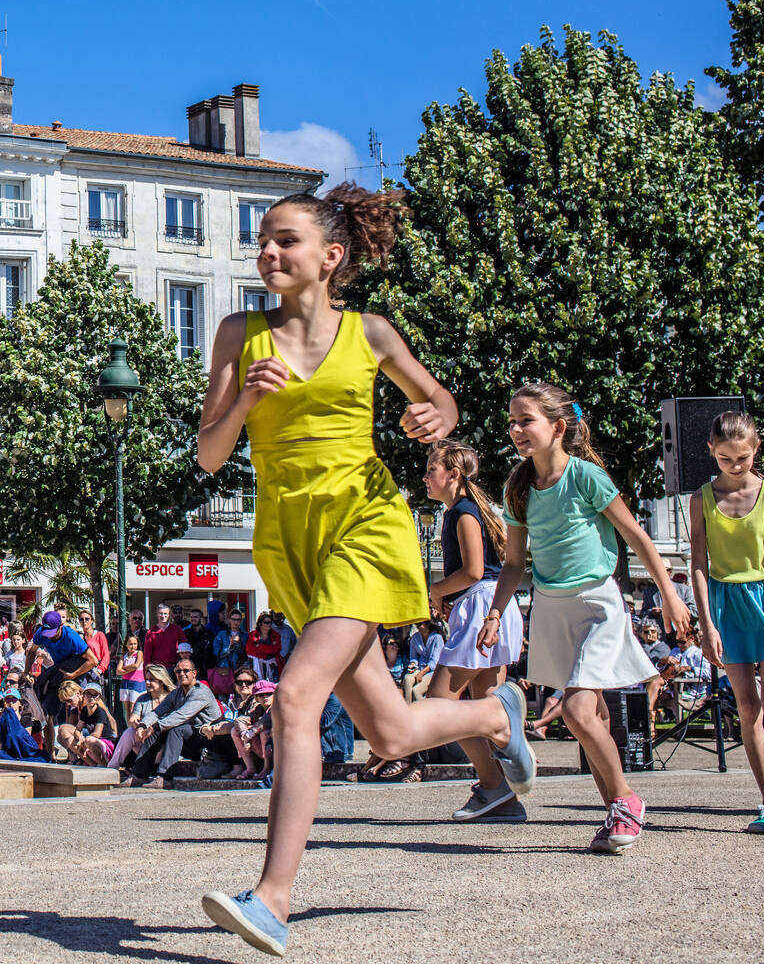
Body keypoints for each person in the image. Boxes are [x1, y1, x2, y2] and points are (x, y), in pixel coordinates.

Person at [192, 186, 534, 956]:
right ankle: (493, 715)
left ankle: (273, 897)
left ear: (330, 257)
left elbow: (437, 398)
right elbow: (210, 453)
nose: (268, 253)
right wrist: (244, 401)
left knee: (294, 698)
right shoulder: (237, 333)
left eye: (285, 241)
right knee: (390, 728)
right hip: (290, 538)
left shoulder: (370, 333)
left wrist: (436, 415)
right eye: (263, 241)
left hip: (365, 525)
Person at [487, 382, 691, 857]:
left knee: (578, 712)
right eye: (512, 422)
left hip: (598, 603)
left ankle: (626, 798)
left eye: (526, 421)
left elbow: (638, 538)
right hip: (551, 608)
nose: (516, 430)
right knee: (592, 715)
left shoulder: (586, 477)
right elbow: (515, 563)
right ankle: (615, 814)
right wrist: (496, 611)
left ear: (558, 427)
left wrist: (671, 597)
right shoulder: (517, 487)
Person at [688, 411, 764, 837]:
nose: (735, 466)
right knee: (747, 707)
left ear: (755, 449)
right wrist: (707, 625)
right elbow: (698, 563)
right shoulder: (700, 498)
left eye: (742, 458)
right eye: (725, 459)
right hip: (726, 602)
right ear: (711, 453)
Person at [421, 438, 528, 823]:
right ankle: (503, 795)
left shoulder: (461, 513)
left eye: (432, 470)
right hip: (493, 604)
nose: (425, 477)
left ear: (452, 474)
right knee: (487, 703)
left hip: (483, 602)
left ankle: (495, 782)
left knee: (440, 704)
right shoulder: (467, 509)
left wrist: (435, 590)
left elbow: (473, 571)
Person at [31, 610, 97, 724]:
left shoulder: (71, 636)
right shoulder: (40, 633)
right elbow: (31, 652)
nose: (49, 636)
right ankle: (51, 740)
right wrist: (26, 672)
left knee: (79, 708)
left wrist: (73, 675)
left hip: (77, 672)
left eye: (51, 632)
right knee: (47, 712)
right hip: (59, 672)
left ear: (60, 625)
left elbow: (93, 661)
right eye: (47, 632)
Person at [55, 683, 117, 766]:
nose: (68, 703)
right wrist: (80, 737)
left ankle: (77, 759)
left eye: (69, 700)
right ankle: (86, 762)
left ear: (78, 694)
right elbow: (73, 725)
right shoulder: (81, 708)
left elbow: (110, 720)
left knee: (63, 729)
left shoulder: (92, 703)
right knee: (62, 737)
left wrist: (115, 737)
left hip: (102, 737)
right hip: (90, 732)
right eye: (65, 701)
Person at [244, 613, 286, 682]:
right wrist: (267, 651)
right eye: (266, 622)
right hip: (256, 665)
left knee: (273, 687)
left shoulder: (276, 635)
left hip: (273, 667)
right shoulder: (253, 635)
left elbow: (277, 649)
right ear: (260, 624)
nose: (269, 624)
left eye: (270, 622)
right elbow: (249, 650)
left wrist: (259, 646)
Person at [144, 604, 182, 671]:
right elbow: (147, 655)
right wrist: (147, 670)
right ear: (157, 614)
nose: (163, 616)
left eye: (165, 613)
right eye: (160, 613)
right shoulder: (150, 632)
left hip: (174, 668)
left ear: (169, 614)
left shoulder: (177, 630)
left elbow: (183, 648)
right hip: (157, 668)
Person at [117, 635, 146, 718]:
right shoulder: (124, 656)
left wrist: (123, 669)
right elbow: (118, 671)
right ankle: (129, 728)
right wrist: (129, 668)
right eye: (130, 644)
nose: (133, 646)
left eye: (134, 644)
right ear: (126, 644)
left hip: (136, 683)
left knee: (133, 708)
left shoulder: (139, 653)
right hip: (125, 683)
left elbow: (136, 665)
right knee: (127, 709)